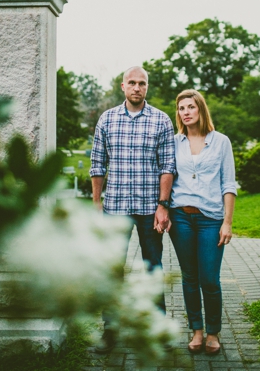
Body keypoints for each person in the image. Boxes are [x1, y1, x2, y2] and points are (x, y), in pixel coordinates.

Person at [90, 66, 176, 349]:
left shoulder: (161, 120)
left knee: (153, 267)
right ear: (123, 86)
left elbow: (167, 167)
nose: (137, 88)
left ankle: (156, 326)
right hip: (115, 207)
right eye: (132, 83)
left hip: (150, 208)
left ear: (146, 87)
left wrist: (163, 205)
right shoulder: (107, 119)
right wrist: (96, 203)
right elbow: (97, 164)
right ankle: (111, 329)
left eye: (142, 83)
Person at [167, 89, 237, 356]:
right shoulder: (174, 142)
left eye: (191, 107)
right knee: (189, 276)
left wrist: (227, 222)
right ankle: (196, 330)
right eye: (181, 108)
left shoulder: (221, 142)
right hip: (181, 217)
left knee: (209, 278)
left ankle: (213, 332)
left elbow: (228, 184)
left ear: (201, 110)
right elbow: (166, 175)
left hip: (211, 219)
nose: (186, 112)